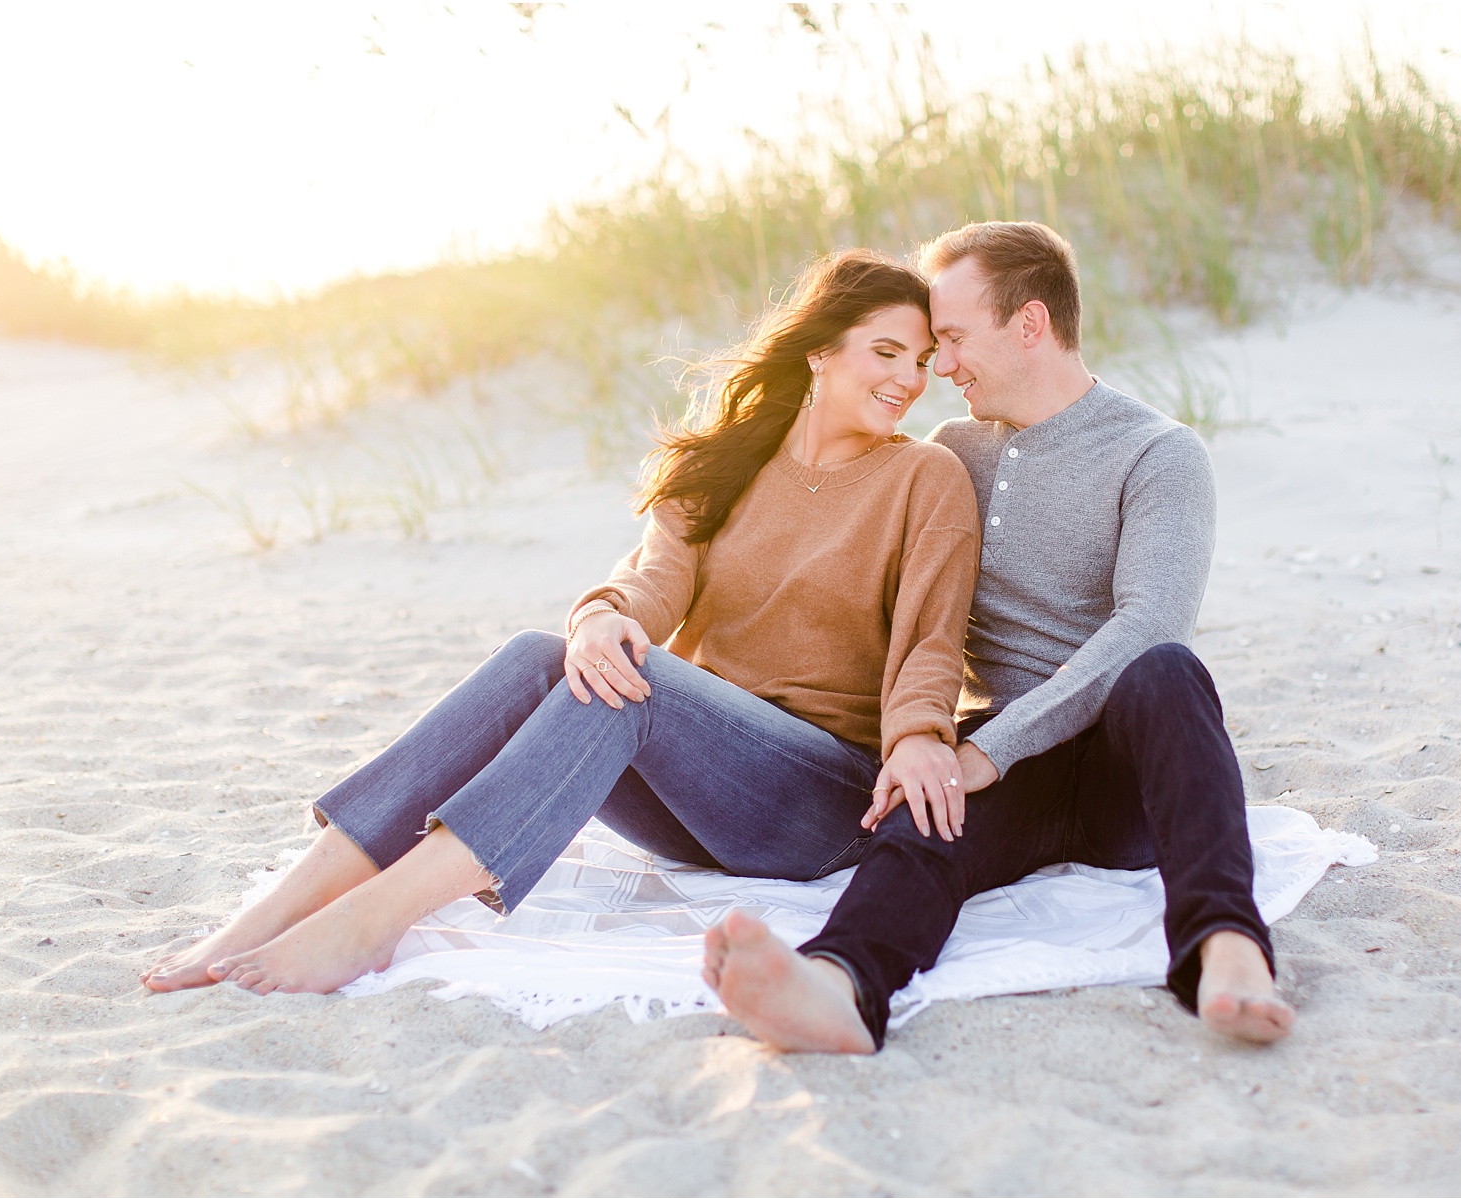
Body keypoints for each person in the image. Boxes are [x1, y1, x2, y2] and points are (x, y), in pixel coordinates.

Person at [139, 249, 981, 998]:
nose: (908, 380)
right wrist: (598, 619)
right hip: (691, 804)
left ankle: (376, 918)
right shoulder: (724, 466)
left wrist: (917, 735)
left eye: (920, 363)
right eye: (886, 352)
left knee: (635, 683)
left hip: (819, 805)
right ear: (819, 351)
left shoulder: (924, 477)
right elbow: (650, 585)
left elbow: (931, 645)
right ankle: (273, 913)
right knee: (544, 655)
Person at [703, 221, 1296, 1052]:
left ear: (1029, 324)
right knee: (924, 807)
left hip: (1121, 762)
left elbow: (1152, 621)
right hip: (1005, 764)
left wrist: (993, 746)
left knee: (1167, 669)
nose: (936, 367)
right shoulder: (951, 452)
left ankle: (1228, 949)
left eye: (950, 338)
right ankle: (840, 985)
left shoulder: (1158, 453)